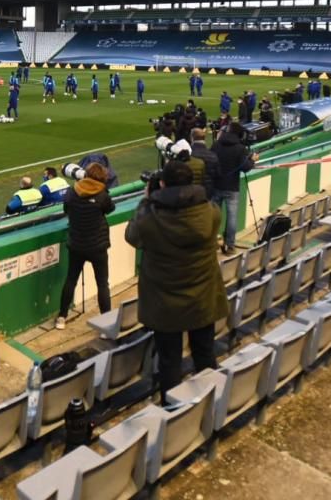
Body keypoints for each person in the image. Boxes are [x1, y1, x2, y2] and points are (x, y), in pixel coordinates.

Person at [125, 160, 227, 404]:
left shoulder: (150, 219)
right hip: (203, 298)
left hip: (164, 303)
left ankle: (173, 413)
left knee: (169, 361)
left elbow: (132, 235)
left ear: (161, 183)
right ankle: (209, 406)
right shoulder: (211, 212)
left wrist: (146, 200)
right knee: (205, 354)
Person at [56, 162, 116, 329]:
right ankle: (107, 322)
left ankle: (61, 317)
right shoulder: (102, 195)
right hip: (97, 246)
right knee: (102, 284)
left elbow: (66, 209)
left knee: (71, 280)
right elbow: (110, 209)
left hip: (76, 244)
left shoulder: (71, 192)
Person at [212, 122, 257, 253]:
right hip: (232, 187)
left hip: (216, 185)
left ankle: (212, 243)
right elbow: (246, 167)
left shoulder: (216, 145)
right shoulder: (240, 148)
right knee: (232, 217)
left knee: (214, 216)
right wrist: (252, 160)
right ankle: (229, 246)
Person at [189, 128, 220, 198]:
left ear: (192, 138)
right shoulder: (212, 155)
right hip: (209, 191)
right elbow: (218, 174)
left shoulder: (190, 154)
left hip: (192, 191)